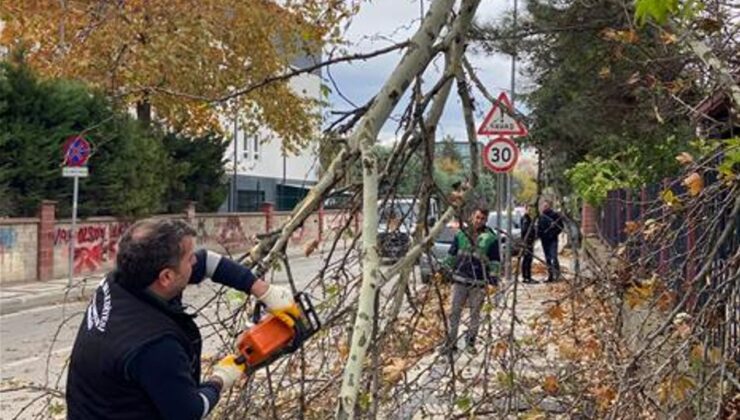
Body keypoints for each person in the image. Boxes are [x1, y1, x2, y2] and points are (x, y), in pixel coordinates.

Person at [66, 218, 299, 419]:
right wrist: (221, 378)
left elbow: (207, 261)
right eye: (189, 259)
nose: (195, 262)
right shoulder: (154, 345)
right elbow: (189, 412)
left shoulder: (120, 281)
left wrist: (263, 291)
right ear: (166, 277)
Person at [441, 206, 500, 355]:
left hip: (478, 282)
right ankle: (451, 344)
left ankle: (470, 342)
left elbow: (495, 260)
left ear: (486, 220)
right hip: (460, 279)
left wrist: (493, 278)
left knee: (475, 314)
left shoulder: (490, 238)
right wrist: (445, 269)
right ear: (472, 216)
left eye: (482, 219)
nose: (479, 221)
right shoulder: (461, 234)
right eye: (477, 217)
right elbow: (452, 254)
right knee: (454, 313)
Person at [537, 200, 564, 282]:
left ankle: (557, 274)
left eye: (546, 205)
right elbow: (539, 228)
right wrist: (540, 235)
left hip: (553, 239)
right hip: (545, 241)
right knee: (547, 258)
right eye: (543, 206)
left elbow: (560, 227)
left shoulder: (554, 215)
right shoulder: (541, 217)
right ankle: (550, 276)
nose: (544, 207)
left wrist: (553, 233)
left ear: (549, 206)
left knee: (553, 256)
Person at [520, 203, 537, 284]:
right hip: (527, 242)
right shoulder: (525, 219)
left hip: (530, 242)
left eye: (531, 209)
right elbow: (524, 231)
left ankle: (527, 276)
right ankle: (526, 277)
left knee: (528, 260)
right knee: (527, 259)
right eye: (528, 209)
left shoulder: (529, 218)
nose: (530, 210)